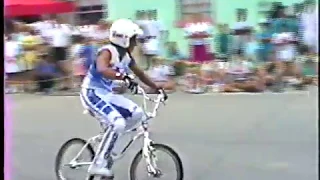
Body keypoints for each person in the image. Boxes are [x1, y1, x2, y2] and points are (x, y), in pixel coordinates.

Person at [80, 19, 167, 178]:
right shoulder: (107, 51)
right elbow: (102, 68)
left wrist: (156, 87)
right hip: (92, 93)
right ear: (124, 38)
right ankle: (98, 164)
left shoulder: (126, 57)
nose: (136, 43)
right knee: (118, 122)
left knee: (137, 114)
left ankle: (111, 146)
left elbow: (140, 73)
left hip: (107, 94)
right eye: (134, 39)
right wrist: (123, 76)